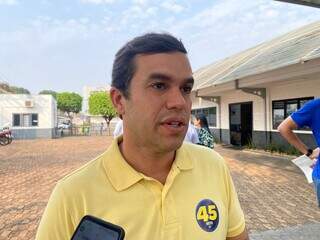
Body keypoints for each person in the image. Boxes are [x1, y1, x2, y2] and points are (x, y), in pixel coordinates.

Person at [35, 33, 248, 240]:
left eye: (185, 88)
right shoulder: (73, 195)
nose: (179, 102)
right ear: (119, 100)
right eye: (159, 85)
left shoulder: (213, 166)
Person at [278, 98, 320, 207]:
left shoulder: (315, 105)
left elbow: (283, 128)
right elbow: (284, 128)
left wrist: (310, 152)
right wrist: (309, 153)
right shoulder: (315, 106)